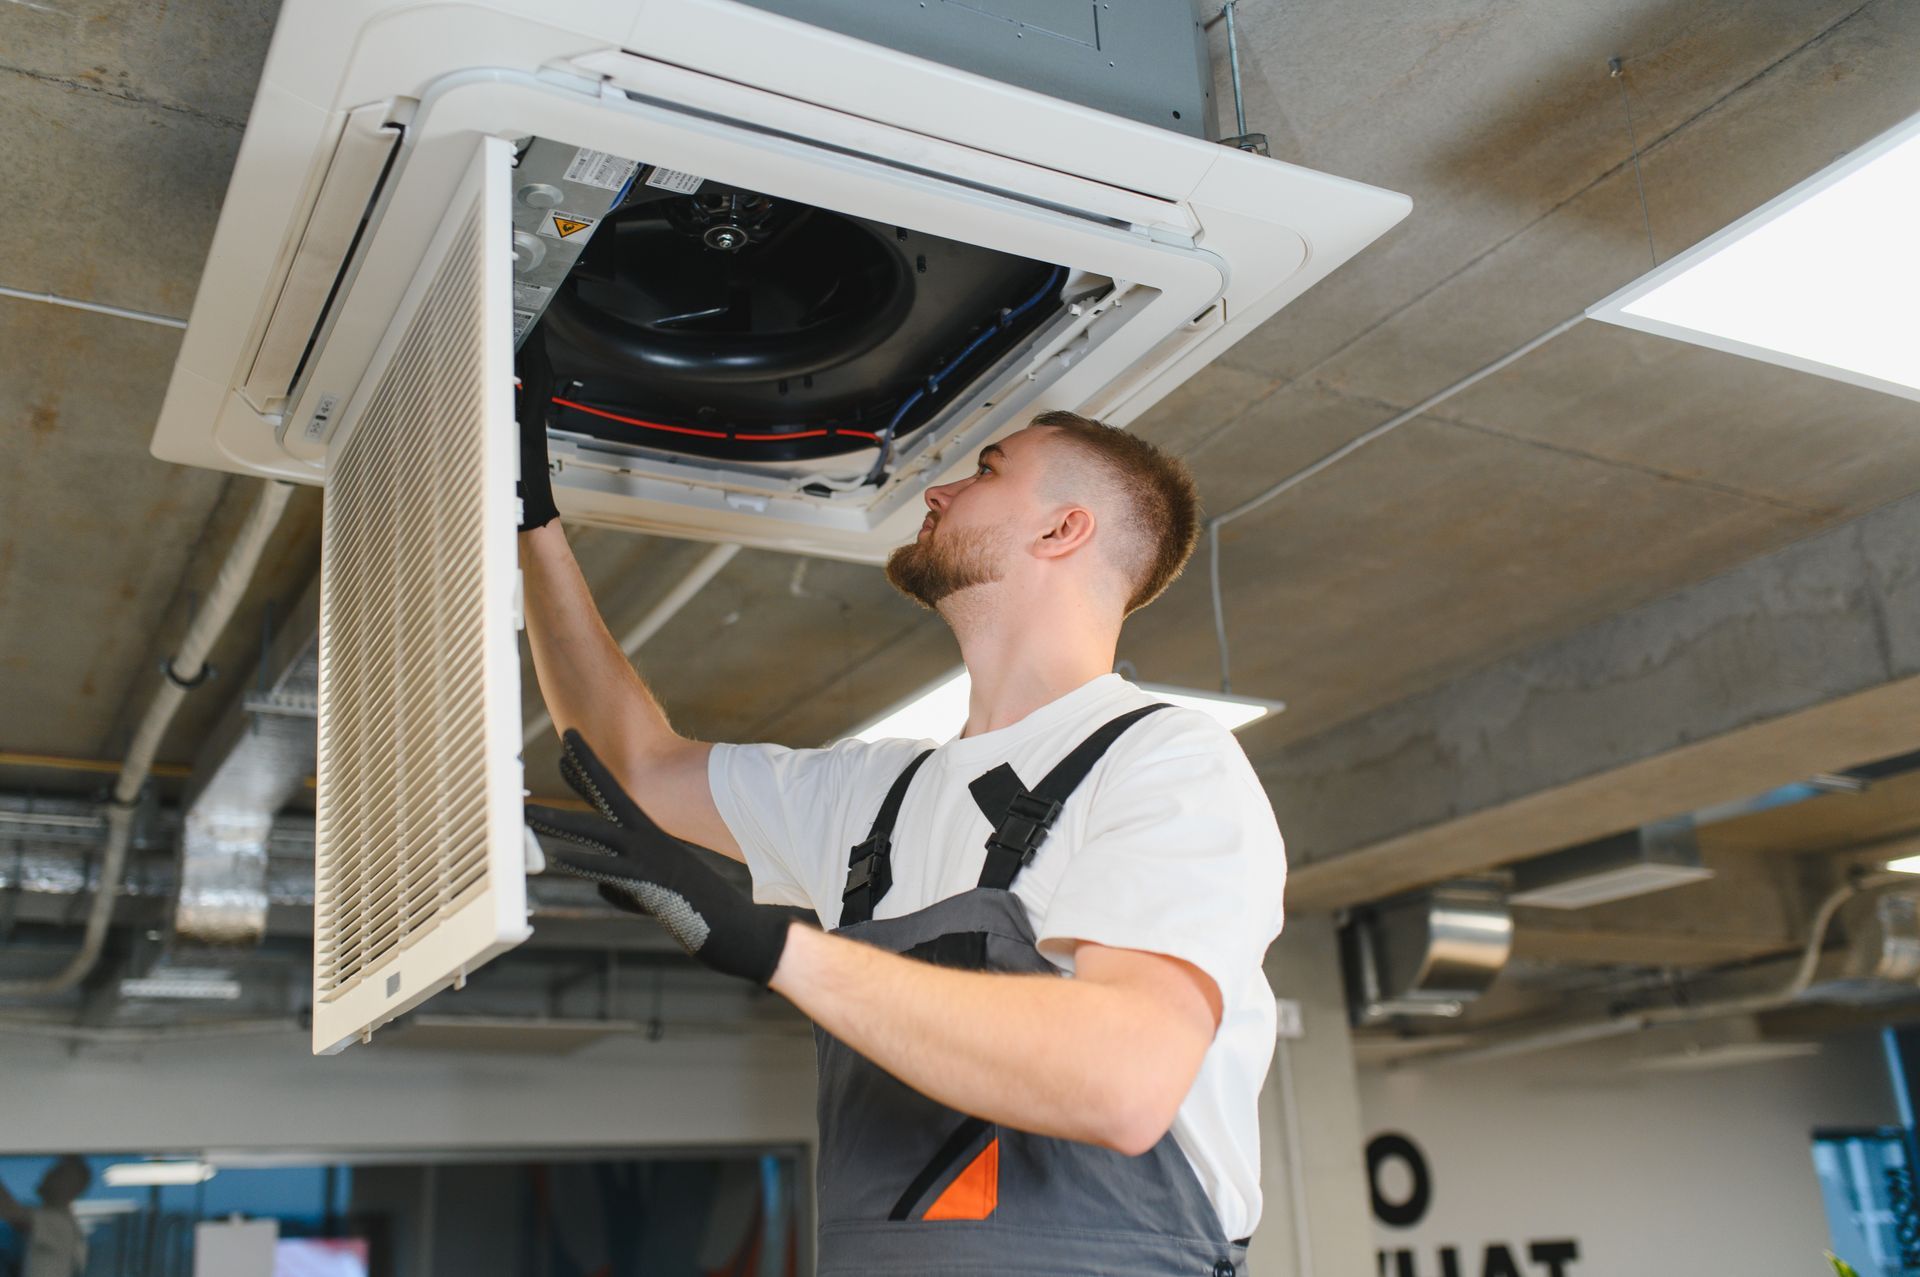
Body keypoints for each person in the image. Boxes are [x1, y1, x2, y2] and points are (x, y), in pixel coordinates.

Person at [517, 349, 1287, 1276]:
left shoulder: (1165, 761)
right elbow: (636, 766)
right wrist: (529, 518)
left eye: (988, 470)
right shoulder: (872, 793)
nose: (940, 490)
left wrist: (777, 948)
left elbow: (1124, 1081)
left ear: (1063, 530)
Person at [0, 1157, 89, 1277]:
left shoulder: (59, 1223)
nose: (47, 1176)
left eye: (58, 1174)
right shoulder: (54, 1219)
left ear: (71, 1188)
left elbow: (11, 1212)